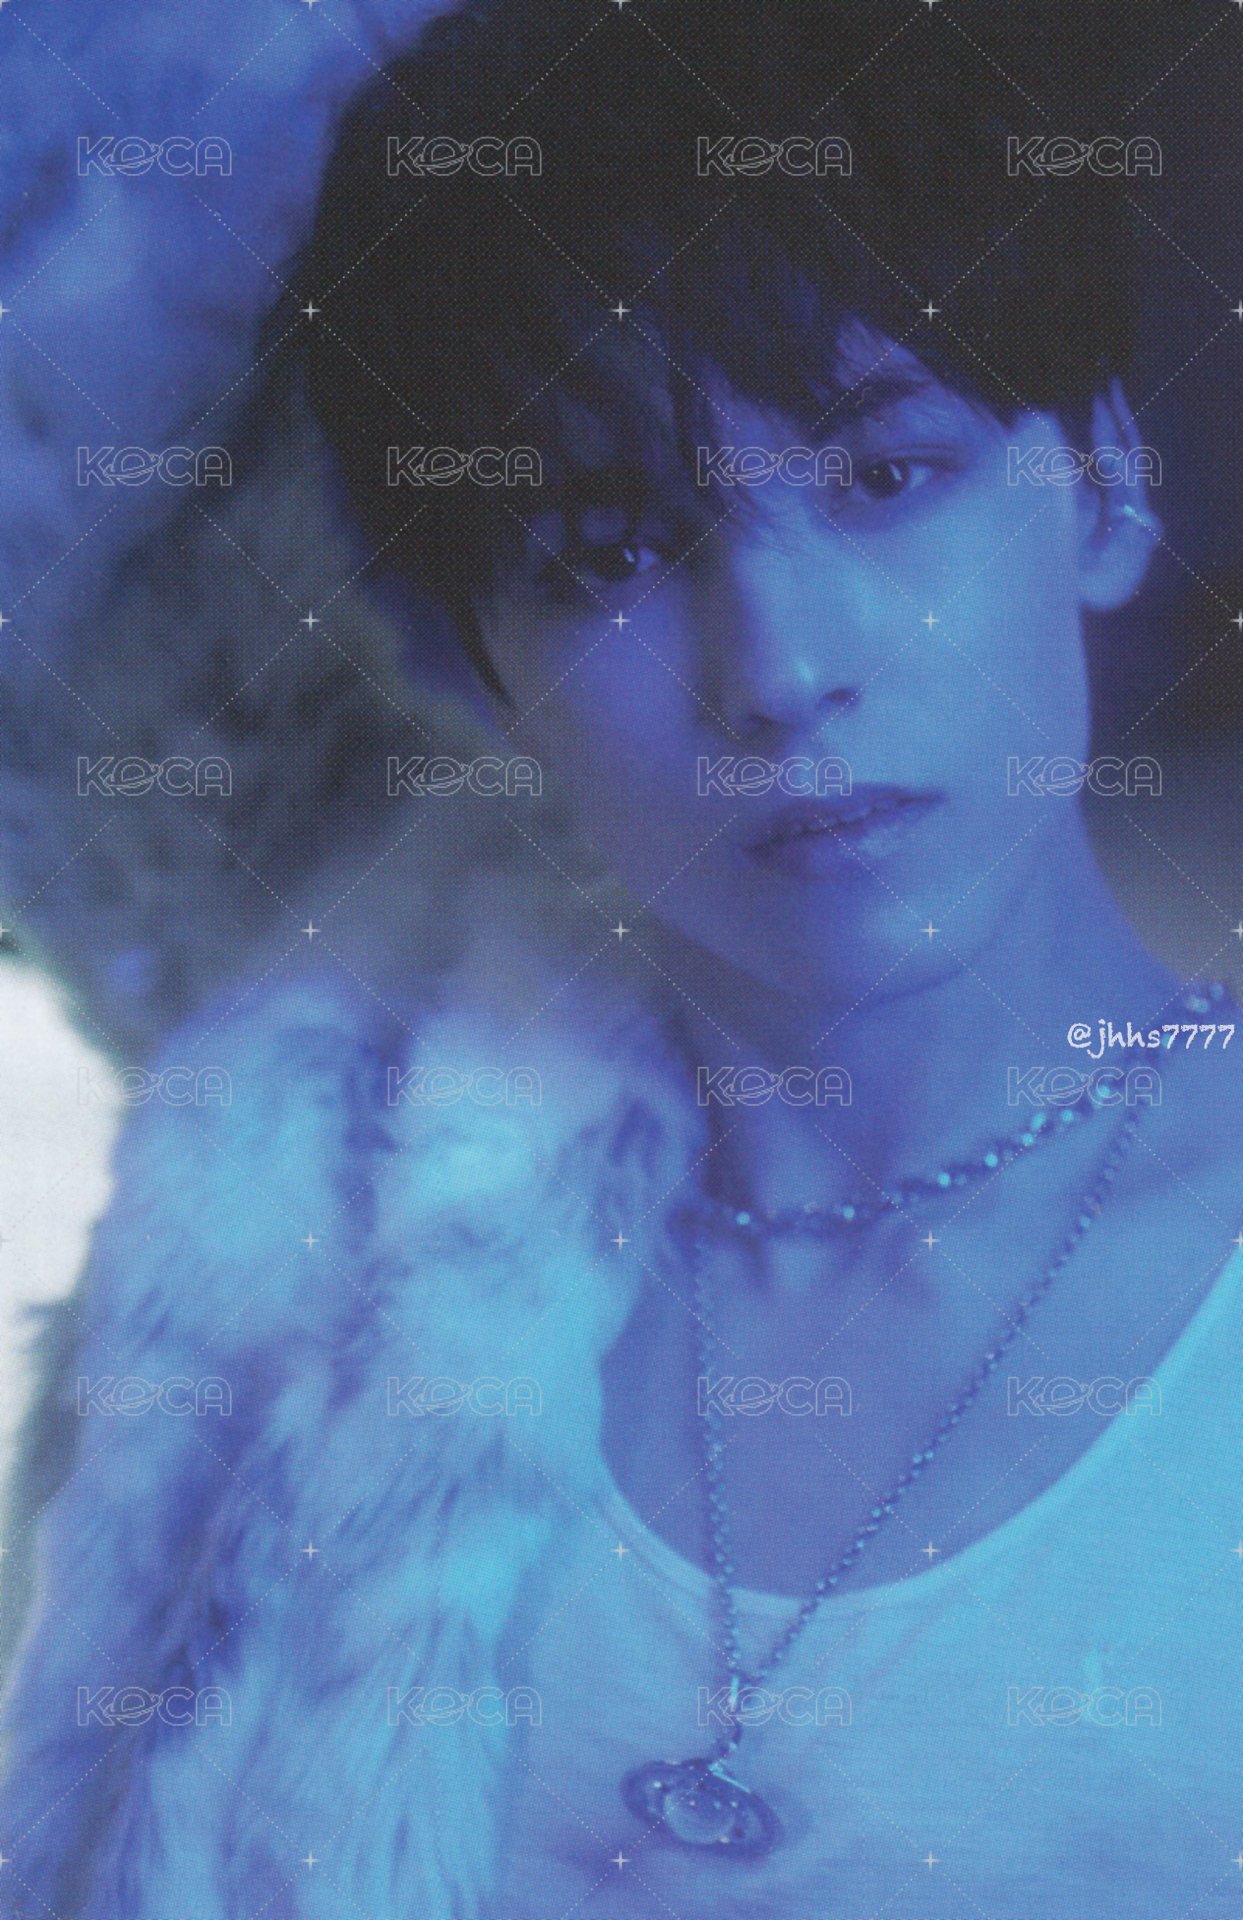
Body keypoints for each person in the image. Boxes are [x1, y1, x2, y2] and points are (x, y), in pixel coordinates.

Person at [3, 2, 1240, 1916]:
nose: (780, 670)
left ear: (1101, 487)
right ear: (474, 664)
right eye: (606, 551)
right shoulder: (279, 1270)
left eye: (882, 478)